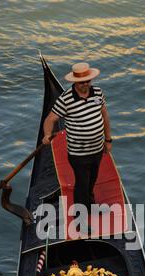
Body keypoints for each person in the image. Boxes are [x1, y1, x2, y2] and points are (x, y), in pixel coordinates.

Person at [42, 62, 112, 216]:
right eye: (81, 82)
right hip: (78, 153)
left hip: (97, 149)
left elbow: (105, 116)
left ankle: (91, 206)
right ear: (75, 81)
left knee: (91, 180)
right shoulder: (66, 99)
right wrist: (47, 135)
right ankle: (80, 216)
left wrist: (108, 140)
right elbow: (50, 120)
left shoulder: (98, 93)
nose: (85, 85)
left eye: (87, 81)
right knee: (82, 184)